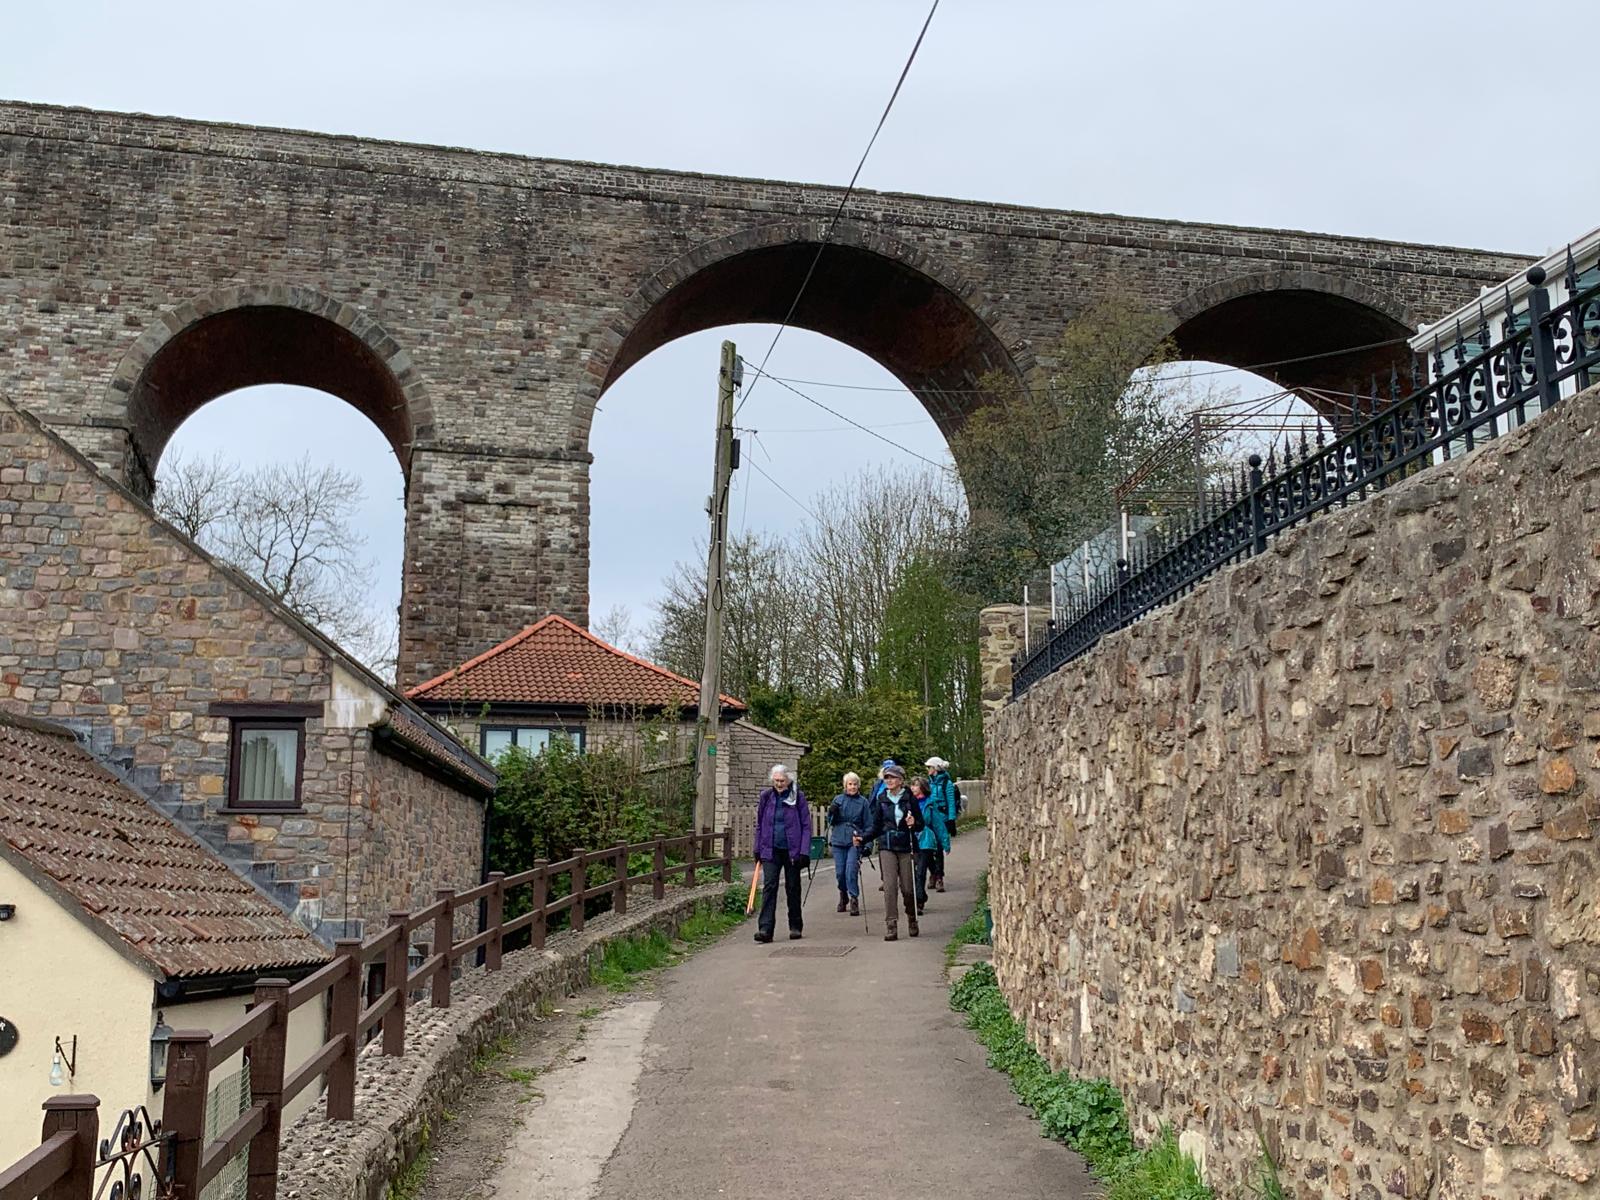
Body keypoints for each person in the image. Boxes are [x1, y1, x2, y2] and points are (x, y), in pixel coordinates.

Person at [866, 762, 923, 941]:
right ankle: (891, 925)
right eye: (886, 778)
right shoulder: (882, 799)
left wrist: (914, 823)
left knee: (907, 888)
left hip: (906, 845)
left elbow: (920, 824)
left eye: (892, 777)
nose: (889, 780)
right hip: (887, 846)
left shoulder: (909, 799)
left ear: (900, 780)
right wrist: (862, 838)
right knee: (889, 887)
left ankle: (912, 917)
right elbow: (876, 827)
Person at [753, 763, 810, 944]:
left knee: (793, 887)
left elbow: (806, 825)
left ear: (788, 781)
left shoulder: (797, 797)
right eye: (776, 781)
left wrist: (804, 851)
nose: (779, 784)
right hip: (770, 849)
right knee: (769, 887)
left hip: (792, 850)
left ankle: (795, 926)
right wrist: (757, 849)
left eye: (782, 781)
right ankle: (765, 929)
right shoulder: (766, 797)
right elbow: (760, 824)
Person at [827, 771, 872, 916]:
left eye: (855, 784)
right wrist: (832, 812)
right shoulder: (838, 799)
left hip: (855, 840)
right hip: (838, 839)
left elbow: (869, 825)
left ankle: (854, 898)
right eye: (850, 784)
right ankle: (843, 894)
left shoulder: (863, 802)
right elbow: (830, 821)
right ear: (845, 785)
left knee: (851, 870)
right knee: (840, 873)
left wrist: (868, 844)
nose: (852, 787)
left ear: (858, 786)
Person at [910, 774, 949, 915]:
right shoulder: (907, 803)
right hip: (911, 840)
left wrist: (945, 842)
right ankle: (921, 893)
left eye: (916, 785)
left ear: (922, 788)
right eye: (912, 785)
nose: (913, 788)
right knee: (914, 872)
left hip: (925, 840)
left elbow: (938, 824)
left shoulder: (930, 804)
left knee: (920, 871)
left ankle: (919, 901)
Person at [925, 757, 960, 889]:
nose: (928, 769)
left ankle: (939, 877)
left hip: (942, 819)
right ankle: (933, 873)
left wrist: (951, 820)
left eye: (929, 767)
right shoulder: (928, 783)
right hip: (930, 818)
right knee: (927, 848)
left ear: (935, 768)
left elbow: (951, 802)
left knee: (938, 848)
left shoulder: (947, 783)